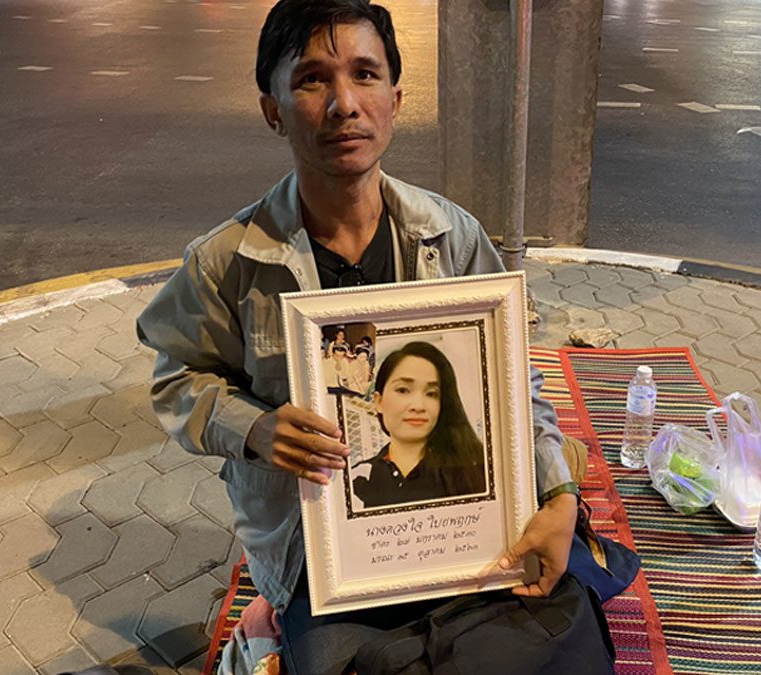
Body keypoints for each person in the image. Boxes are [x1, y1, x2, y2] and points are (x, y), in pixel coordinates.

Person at [135, 1, 579, 672]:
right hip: (321, 551)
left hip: (462, 521)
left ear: (395, 99)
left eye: (365, 74)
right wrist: (253, 428)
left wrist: (558, 494)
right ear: (273, 109)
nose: (345, 103)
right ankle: (265, 631)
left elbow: (518, 380)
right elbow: (176, 379)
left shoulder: (451, 237)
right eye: (312, 79)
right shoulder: (226, 260)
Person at [351, 341, 486, 508]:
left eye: (431, 393)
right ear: (378, 402)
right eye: (403, 390)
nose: (418, 406)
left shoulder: (474, 472)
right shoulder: (357, 478)